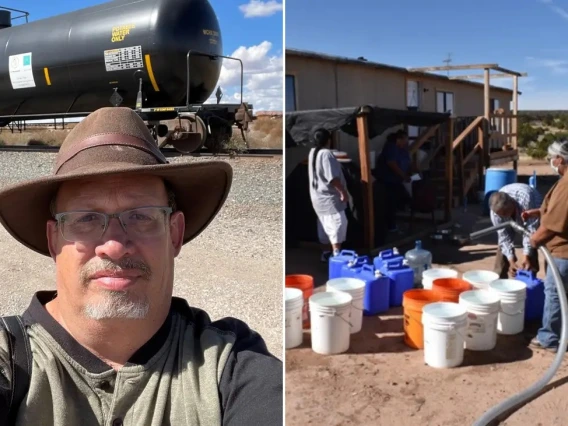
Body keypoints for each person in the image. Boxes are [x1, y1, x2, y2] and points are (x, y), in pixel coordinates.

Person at [0, 107, 282, 425]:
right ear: (54, 241)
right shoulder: (10, 362)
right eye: (86, 219)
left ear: (174, 234)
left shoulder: (231, 364)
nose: (115, 247)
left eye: (141, 216)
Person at [526, 140, 568, 353]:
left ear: (560, 159)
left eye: (552, 158)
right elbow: (556, 212)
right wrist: (538, 212)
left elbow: (555, 223)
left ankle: (549, 338)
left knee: (554, 292)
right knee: (563, 293)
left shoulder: (567, 185)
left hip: (562, 251)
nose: (551, 162)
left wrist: (534, 240)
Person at [307, 128, 349, 262]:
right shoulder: (326, 154)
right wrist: (342, 192)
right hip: (329, 198)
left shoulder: (312, 152)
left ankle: (325, 253)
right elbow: (332, 177)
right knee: (337, 225)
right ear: (328, 140)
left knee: (323, 225)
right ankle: (336, 255)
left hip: (317, 196)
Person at [488, 183, 542, 278]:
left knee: (533, 242)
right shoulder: (495, 212)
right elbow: (504, 237)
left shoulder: (526, 198)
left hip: (532, 215)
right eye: (500, 214)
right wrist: (511, 261)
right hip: (516, 214)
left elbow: (530, 230)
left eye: (505, 212)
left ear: (512, 202)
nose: (504, 216)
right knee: (502, 248)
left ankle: (530, 277)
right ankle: (498, 280)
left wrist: (526, 256)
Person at [375, 129, 417, 232]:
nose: (406, 142)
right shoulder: (391, 147)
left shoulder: (403, 149)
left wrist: (414, 171)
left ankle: (396, 222)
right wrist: (404, 175)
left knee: (402, 200)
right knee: (391, 203)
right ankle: (390, 226)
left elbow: (408, 162)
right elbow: (392, 163)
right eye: (405, 140)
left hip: (397, 180)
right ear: (399, 139)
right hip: (388, 180)